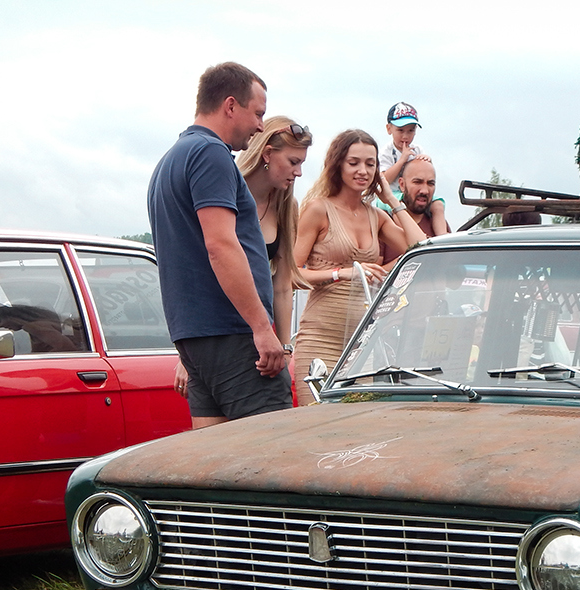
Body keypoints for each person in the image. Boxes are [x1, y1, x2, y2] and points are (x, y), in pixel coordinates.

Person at [148, 62, 291, 429]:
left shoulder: (169, 161)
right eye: (257, 113)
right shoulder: (210, 155)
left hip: (194, 338)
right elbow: (221, 245)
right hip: (234, 335)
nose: (260, 125)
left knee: (210, 461)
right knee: (268, 456)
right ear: (230, 106)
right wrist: (262, 327)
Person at [172, 116, 313, 400]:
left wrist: (285, 348)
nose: (298, 173)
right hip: (217, 331)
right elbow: (199, 269)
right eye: (293, 162)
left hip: (261, 339)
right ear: (267, 154)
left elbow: (283, 285)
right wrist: (188, 356)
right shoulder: (223, 189)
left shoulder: (287, 204)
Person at [292, 129, 428, 398]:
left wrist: (391, 199)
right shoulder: (319, 209)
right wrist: (343, 273)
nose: (363, 171)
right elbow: (293, 274)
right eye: (353, 162)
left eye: (370, 163)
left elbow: (420, 248)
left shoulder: (375, 215)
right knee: (318, 425)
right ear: (338, 164)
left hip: (363, 345)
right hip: (321, 340)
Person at [378, 103, 449, 233]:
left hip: (410, 193)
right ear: (389, 129)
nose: (405, 136)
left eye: (411, 131)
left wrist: (427, 160)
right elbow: (384, 180)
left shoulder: (417, 149)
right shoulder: (386, 152)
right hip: (390, 195)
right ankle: (408, 236)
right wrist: (402, 160)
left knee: (438, 205)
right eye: (400, 130)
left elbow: (426, 172)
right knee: (398, 208)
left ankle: (442, 239)